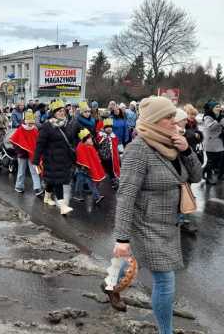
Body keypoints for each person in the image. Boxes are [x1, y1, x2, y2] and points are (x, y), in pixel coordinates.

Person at [111, 96, 202, 333]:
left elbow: (196, 177)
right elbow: (126, 195)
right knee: (165, 281)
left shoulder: (174, 144)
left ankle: (110, 283)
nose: (175, 122)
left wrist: (187, 151)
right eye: (169, 117)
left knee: (133, 262)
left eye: (175, 116)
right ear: (154, 121)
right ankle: (166, 331)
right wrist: (121, 239)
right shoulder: (137, 150)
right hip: (146, 224)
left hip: (170, 224)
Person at [33, 99, 75, 215]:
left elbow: (69, 141)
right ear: (53, 112)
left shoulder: (65, 125)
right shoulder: (47, 126)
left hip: (62, 159)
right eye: (59, 111)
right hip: (51, 159)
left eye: (63, 111)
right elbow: (40, 144)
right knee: (58, 181)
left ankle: (47, 197)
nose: (62, 113)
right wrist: (36, 160)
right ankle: (62, 206)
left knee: (52, 180)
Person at [10, 110, 43, 196]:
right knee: (21, 170)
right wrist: (20, 150)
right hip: (22, 155)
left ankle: (37, 187)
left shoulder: (34, 130)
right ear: (25, 121)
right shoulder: (20, 129)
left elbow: (37, 142)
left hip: (32, 154)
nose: (30, 125)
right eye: (29, 123)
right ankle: (19, 186)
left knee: (34, 171)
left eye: (32, 123)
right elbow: (14, 141)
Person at [74, 128, 105, 204]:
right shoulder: (81, 147)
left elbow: (93, 157)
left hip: (85, 168)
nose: (91, 140)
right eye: (89, 138)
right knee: (88, 181)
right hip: (84, 168)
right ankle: (96, 197)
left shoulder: (88, 146)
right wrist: (87, 167)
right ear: (85, 139)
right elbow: (82, 158)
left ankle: (78, 195)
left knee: (80, 181)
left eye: (91, 138)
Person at [202, 100, 224, 184]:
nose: (218, 108)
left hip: (218, 142)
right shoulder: (207, 117)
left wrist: (221, 117)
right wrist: (218, 119)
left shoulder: (219, 116)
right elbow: (211, 127)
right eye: (216, 107)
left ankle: (204, 171)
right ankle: (208, 178)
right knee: (211, 161)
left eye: (219, 106)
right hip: (210, 142)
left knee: (218, 160)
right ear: (211, 108)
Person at [97, 118, 121, 191]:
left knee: (112, 170)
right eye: (107, 127)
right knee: (102, 170)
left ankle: (115, 183)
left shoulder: (113, 136)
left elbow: (116, 145)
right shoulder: (101, 135)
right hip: (102, 157)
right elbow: (97, 143)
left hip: (111, 158)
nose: (109, 129)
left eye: (110, 127)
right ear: (104, 128)